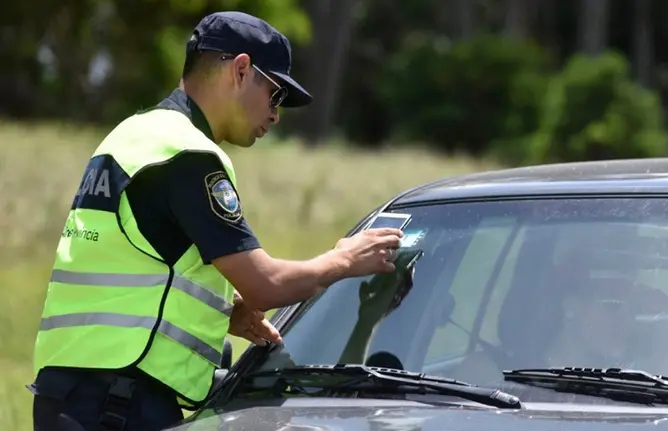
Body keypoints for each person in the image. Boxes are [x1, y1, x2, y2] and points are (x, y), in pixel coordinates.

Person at [28, 11, 403, 431]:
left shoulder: (133, 135)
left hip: (74, 394)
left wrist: (221, 314)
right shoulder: (187, 155)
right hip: (119, 403)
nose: (276, 114)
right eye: (276, 95)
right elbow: (267, 284)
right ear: (241, 70)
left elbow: (134, 270)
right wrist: (345, 259)